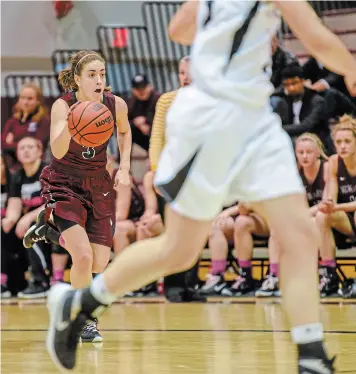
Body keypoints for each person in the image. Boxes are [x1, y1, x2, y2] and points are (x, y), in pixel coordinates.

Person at [47, 2, 356, 372]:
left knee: (300, 233)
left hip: (254, 118)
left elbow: (178, 29)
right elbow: (318, 39)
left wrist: (230, 35)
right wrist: (352, 70)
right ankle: (81, 303)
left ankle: (311, 355)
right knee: (178, 251)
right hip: (215, 118)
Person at [25, 50, 132, 342]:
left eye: (102, 74)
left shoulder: (114, 104)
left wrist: (124, 167)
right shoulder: (63, 106)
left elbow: (124, 132)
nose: (99, 80)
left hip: (98, 182)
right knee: (82, 258)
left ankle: (49, 230)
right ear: (77, 79)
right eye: (92, 75)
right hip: (65, 182)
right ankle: (85, 322)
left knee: (99, 263)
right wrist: (74, 124)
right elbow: (58, 151)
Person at [1, 137, 49, 298]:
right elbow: (14, 207)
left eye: (30, 147)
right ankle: (6, 282)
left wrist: (27, 217)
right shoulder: (17, 176)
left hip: (53, 220)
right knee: (3, 231)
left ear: (40, 152)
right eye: (22, 148)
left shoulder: (48, 171)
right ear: (17, 154)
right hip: (29, 221)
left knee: (32, 229)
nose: (26, 151)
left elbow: (55, 202)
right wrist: (8, 221)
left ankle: (40, 281)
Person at [315, 115, 356, 297]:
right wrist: (328, 203)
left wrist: (336, 208)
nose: (342, 146)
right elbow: (331, 191)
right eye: (339, 142)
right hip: (348, 220)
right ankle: (329, 275)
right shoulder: (333, 161)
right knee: (321, 216)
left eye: (347, 141)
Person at [1, 83, 50, 170]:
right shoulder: (12, 121)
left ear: (38, 101)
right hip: (13, 167)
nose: (25, 102)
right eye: (22, 98)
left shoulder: (44, 121)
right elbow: (3, 144)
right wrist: (27, 143)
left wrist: (12, 143)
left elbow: (38, 144)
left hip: (35, 168)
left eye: (30, 98)